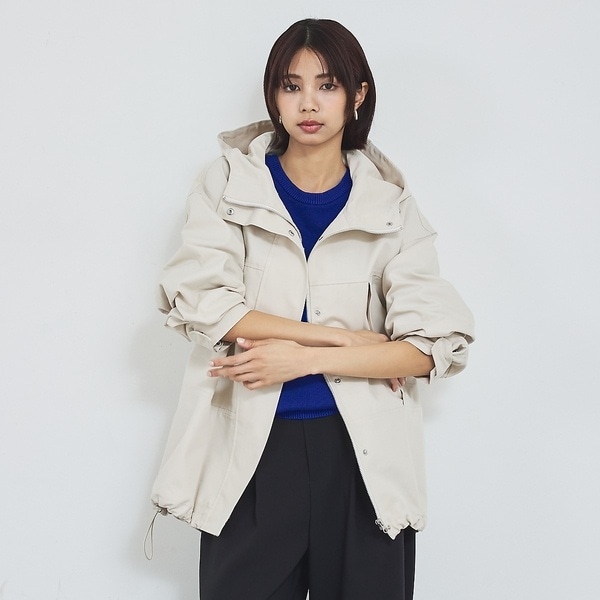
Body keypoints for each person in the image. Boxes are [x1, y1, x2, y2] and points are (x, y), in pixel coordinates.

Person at [151, 18, 474, 600]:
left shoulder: (390, 205)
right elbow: (202, 302)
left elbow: (433, 348)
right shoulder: (229, 185)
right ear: (273, 96)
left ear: (357, 95)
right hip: (250, 454)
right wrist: (350, 340)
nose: (308, 104)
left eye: (327, 85)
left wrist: (303, 359)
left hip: (361, 461)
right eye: (291, 85)